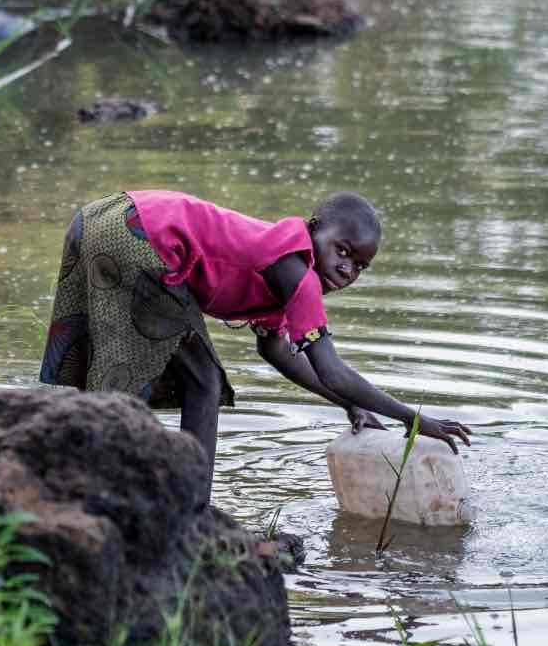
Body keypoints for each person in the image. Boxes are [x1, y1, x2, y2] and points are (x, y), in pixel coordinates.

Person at [39, 189, 471, 499]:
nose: (347, 268)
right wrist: (412, 419)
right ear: (314, 230)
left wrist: (348, 404)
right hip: (137, 234)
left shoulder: (282, 268)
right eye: (343, 250)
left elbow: (276, 351)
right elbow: (331, 368)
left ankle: (72, 469)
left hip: (101, 216)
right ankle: (192, 507)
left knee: (128, 369)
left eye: (361, 265)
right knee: (202, 380)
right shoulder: (296, 274)